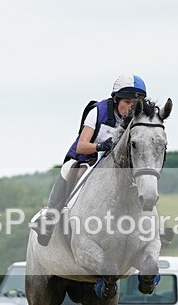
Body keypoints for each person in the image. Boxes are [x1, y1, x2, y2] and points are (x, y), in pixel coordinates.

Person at [31, 74, 147, 245]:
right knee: (68, 168)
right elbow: (81, 145)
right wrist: (100, 147)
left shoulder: (138, 120)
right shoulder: (98, 112)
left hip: (115, 166)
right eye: (127, 102)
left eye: (135, 104)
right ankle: (50, 215)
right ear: (116, 100)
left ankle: (151, 227)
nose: (131, 108)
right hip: (88, 158)